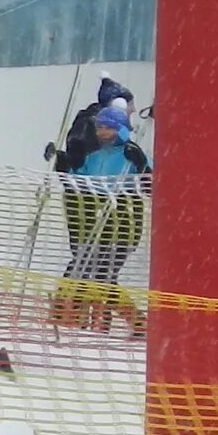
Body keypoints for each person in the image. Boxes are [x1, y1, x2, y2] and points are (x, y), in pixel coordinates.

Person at [52, 98, 153, 331]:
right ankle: (92, 320)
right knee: (90, 270)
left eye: (109, 127)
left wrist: (142, 166)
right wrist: (64, 165)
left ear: (122, 129)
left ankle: (130, 321)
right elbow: (79, 182)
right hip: (99, 222)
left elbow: (151, 186)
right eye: (100, 127)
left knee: (102, 273)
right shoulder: (95, 157)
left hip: (124, 225)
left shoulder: (133, 154)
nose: (103, 132)